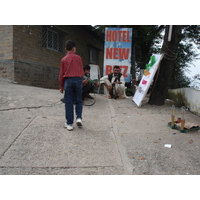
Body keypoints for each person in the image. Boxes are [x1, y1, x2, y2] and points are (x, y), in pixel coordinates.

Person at [59, 40, 84, 131]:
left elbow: (61, 74)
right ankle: (79, 117)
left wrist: (61, 86)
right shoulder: (78, 58)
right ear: (74, 48)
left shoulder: (63, 59)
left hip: (68, 80)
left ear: (66, 49)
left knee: (68, 102)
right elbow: (81, 70)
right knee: (78, 100)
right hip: (78, 80)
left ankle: (69, 123)